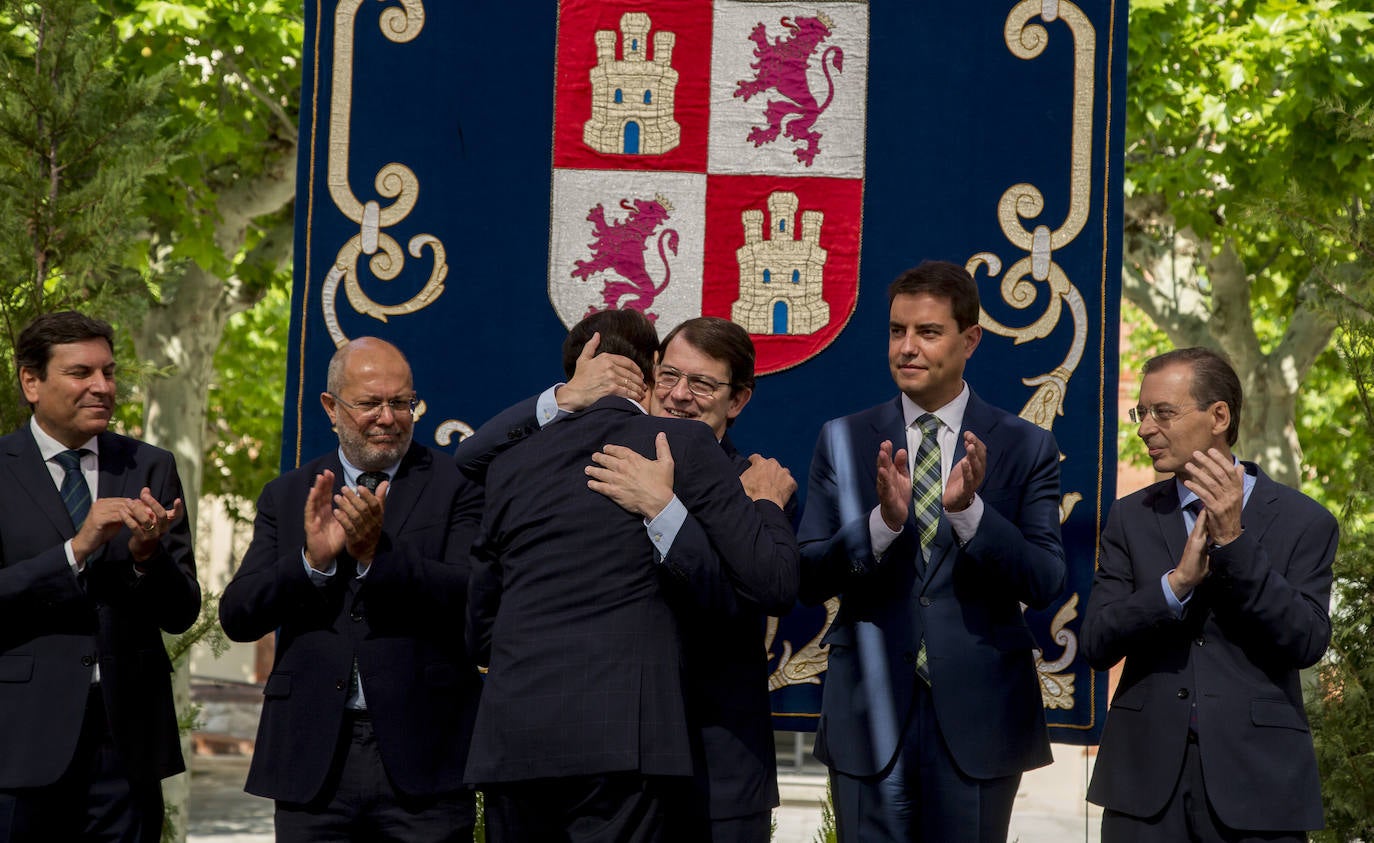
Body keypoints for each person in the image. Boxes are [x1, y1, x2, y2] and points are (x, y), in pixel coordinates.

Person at [455, 315, 797, 841]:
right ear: (650, 370)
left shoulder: (748, 477)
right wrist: (565, 397)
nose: (681, 395)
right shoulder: (663, 446)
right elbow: (469, 456)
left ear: (738, 399)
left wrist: (667, 509)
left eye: (702, 383)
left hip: (705, 760)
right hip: (627, 745)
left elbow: (765, 591)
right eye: (670, 377)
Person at [796, 260, 1066, 842]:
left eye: (928, 332)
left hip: (981, 719)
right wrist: (882, 524)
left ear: (970, 340)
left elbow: (1045, 580)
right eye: (897, 331)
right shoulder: (842, 438)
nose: (908, 348)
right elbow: (807, 576)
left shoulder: (1026, 445)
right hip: (869, 716)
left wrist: (970, 514)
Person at [219, 337, 482, 843]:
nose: (389, 417)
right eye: (369, 403)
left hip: (424, 757)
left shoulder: (457, 486)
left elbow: (475, 594)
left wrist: (373, 556)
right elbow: (239, 615)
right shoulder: (290, 493)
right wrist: (311, 562)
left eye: (402, 403)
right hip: (313, 760)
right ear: (331, 407)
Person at [1082, 346, 1336, 842]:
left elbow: (1305, 641)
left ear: (1218, 415)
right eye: (1141, 412)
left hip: (1259, 784)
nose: (1143, 428)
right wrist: (1173, 587)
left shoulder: (1306, 522)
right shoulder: (1129, 518)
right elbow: (1096, 641)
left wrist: (1235, 544)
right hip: (1143, 784)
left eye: (1163, 412)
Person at [0, 311, 200, 843]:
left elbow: (182, 612)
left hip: (126, 744)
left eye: (109, 373)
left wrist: (146, 557)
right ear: (31, 381)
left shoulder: (149, 466)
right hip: (19, 742)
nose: (102, 387)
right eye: (81, 373)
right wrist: (76, 550)